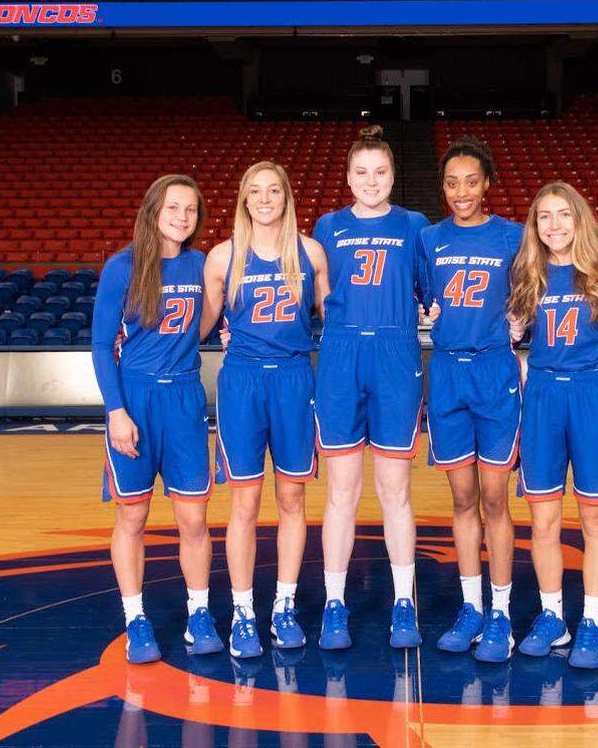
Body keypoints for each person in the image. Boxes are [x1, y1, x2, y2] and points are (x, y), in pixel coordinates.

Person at [199, 162, 329, 659]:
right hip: (243, 381)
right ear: (243, 199)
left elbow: (336, 314)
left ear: (286, 196)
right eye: (255, 191)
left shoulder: (311, 253)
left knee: (292, 500)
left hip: (296, 379)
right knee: (245, 505)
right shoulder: (222, 258)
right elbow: (201, 325)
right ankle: (243, 612)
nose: (265, 198)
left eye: (274, 189)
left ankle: (285, 605)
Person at [92, 174, 221, 664]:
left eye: (191, 210)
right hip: (136, 399)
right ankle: (135, 619)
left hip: (185, 397)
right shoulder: (121, 267)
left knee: (194, 518)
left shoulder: (202, 264)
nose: (182, 217)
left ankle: (199, 613)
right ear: (153, 210)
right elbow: (103, 346)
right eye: (173, 207)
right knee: (133, 514)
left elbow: (211, 321)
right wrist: (116, 411)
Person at [311, 125, 430, 650]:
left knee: (395, 491)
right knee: (341, 492)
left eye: (380, 171)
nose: (371, 181)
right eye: (361, 172)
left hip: (395, 352)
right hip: (340, 354)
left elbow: (432, 292)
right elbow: (312, 294)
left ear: (393, 174)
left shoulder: (415, 225)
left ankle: (405, 602)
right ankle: (334, 603)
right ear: (348, 177)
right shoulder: (328, 226)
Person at [507, 181, 598, 670]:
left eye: (563, 215)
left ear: (581, 219)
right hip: (542, 396)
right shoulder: (525, 274)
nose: (554, 225)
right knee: (542, 519)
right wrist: (513, 336)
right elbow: (511, 337)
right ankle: (552, 615)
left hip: (594, 393)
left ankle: (592, 622)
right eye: (544, 217)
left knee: (595, 517)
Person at [422, 136, 522, 662]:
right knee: (462, 500)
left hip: (494, 371)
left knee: (494, 499)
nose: (461, 191)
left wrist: (522, 323)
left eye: (471, 181)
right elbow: (421, 296)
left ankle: (502, 612)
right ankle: (471, 607)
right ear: (443, 188)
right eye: (452, 182)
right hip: (447, 376)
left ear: (488, 184)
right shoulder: (428, 240)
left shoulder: (512, 237)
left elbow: (535, 291)